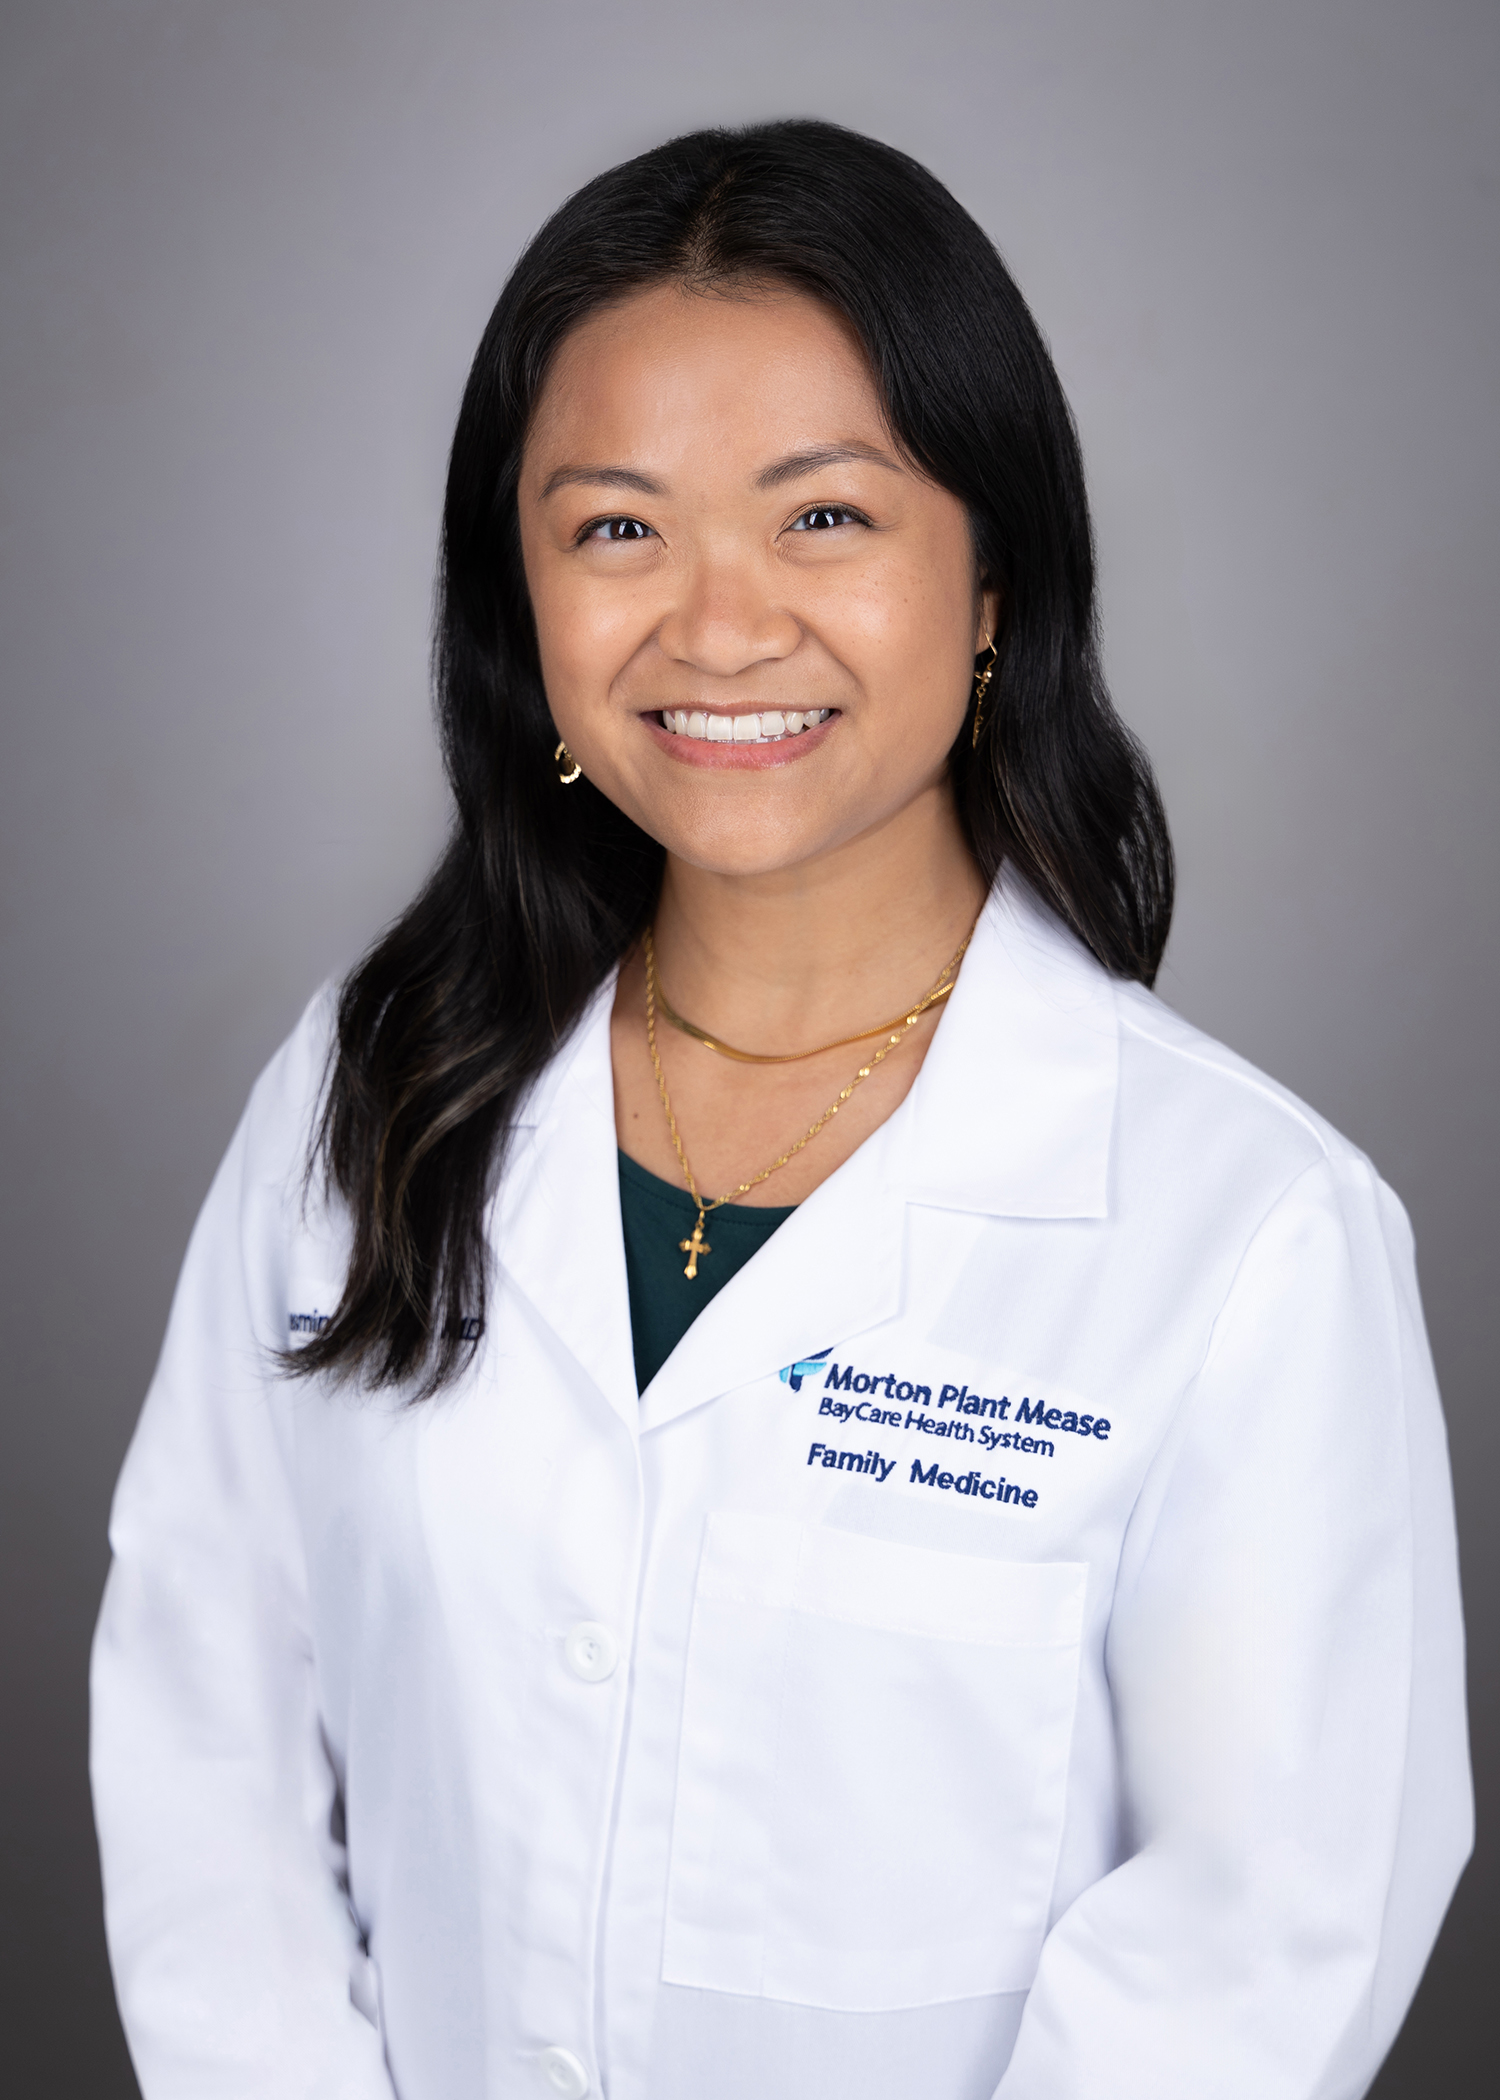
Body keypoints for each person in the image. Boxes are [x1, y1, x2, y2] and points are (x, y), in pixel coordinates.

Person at [90, 120, 1471, 2100]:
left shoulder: (1247, 1232)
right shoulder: (366, 1089)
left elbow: (1260, 1947)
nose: (719, 628)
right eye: (616, 529)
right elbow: (204, 1721)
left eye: (823, 517)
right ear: (519, 596)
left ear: (993, 583)